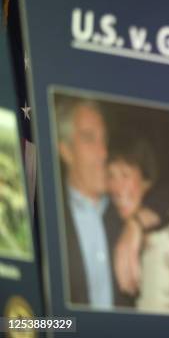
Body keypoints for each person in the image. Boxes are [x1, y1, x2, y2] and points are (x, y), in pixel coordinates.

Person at [55, 97, 132, 308]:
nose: (104, 152)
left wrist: (138, 225)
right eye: (89, 138)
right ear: (66, 151)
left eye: (104, 140)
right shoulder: (48, 215)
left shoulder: (126, 209)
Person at [107, 137, 169, 315]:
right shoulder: (120, 241)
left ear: (146, 182)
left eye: (125, 174)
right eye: (110, 176)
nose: (116, 187)